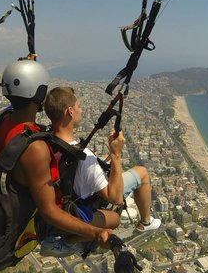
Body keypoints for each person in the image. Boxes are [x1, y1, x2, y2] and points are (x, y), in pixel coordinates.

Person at [0, 60, 113, 257]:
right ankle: (67, 245)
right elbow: (49, 211)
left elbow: (18, 96)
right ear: (38, 93)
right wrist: (96, 233)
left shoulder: (4, 122)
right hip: (44, 216)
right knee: (113, 217)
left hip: (22, 193)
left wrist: (27, 68)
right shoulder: (36, 149)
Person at [44, 86, 162, 233]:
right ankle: (146, 222)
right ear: (70, 111)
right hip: (79, 208)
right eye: (78, 106)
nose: (81, 110)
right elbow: (115, 198)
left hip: (62, 200)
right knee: (142, 173)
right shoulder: (85, 157)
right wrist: (116, 154)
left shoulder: (45, 142)